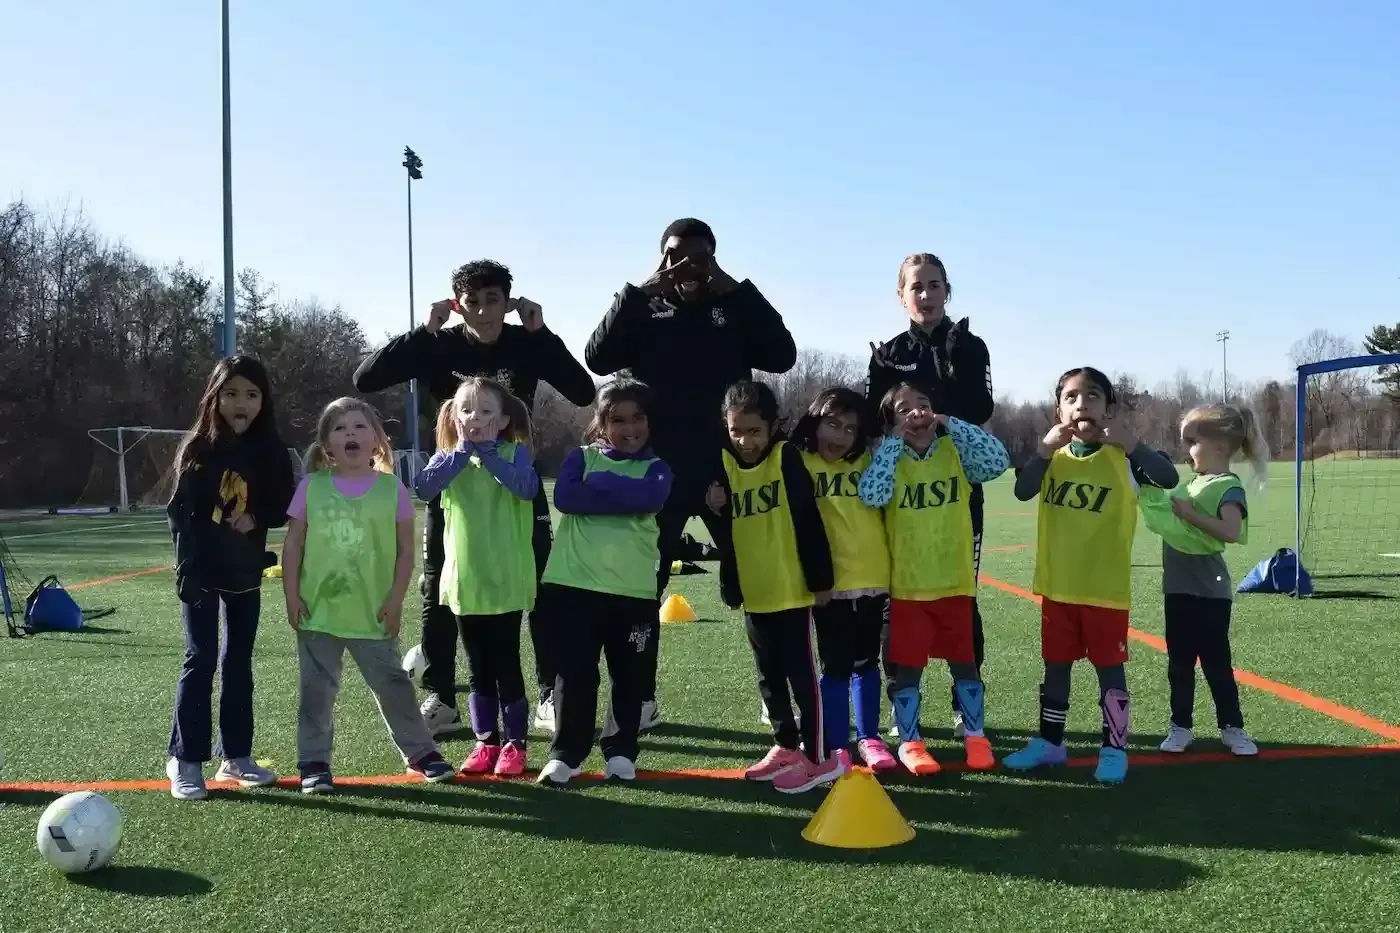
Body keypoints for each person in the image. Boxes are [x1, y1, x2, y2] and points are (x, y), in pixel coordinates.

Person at [352, 259, 595, 737]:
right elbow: (366, 379)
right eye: (472, 302)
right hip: (454, 481)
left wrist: (543, 333)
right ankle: (442, 697)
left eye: (492, 301)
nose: (482, 312)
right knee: (439, 587)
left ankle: (547, 693)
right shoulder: (438, 344)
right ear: (457, 304)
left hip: (514, 481)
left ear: (507, 303)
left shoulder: (526, 343)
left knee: (538, 586)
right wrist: (424, 331)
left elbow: (584, 390)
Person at [585, 218, 797, 730]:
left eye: (700, 257)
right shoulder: (644, 307)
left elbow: (783, 356)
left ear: (714, 259)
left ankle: (776, 699)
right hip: (658, 472)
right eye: (676, 255)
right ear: (661, 258)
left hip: (730, 469)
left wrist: (739, 289)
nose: (688, 267)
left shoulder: (732, 305)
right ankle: (640, 699)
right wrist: (637, 292)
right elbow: (598, 357)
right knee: (643, 587)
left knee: (759, 584)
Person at [1004, 367, 1180, 784]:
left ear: (1110, 408)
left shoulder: (1125, 457)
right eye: (1071, 397)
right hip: (1058, 587)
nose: (1081, 404)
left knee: (1110, 671)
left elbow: (1169, 477)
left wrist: (1131, 442)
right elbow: (1022, 490)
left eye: (1093, 396)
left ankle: (1114, 748)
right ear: (1058, 409)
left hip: (1105, 590)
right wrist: (1045, 450)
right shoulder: (1053, 458)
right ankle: (1050, 743)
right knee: (1056, 668)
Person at [281, 397, 457, 794]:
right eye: (340, 429)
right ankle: (314, 763)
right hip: (318, 612)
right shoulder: (311, 487)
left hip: (373, 613)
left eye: (359, 427)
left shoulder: (390, 489)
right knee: (316, 692)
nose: (350, 434)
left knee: (394, 686)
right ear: (327, 443)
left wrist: (395, 601)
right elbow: (292, 547)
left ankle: (420, 753)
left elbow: (406, 552)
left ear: (377, 440)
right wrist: (292, 597)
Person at [865, 253, 995, 739]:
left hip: (956, 487)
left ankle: (966, 706)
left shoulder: (970, 345)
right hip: (902, 493)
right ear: (901, 295)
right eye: (916, 287)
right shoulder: (888, 352)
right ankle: (903, 706)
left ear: (947, 291)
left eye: (934, 285)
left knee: (962, 597)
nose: (925, 294)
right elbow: (877, 417)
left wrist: (949, 369)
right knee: (897, 602)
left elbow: (981, 408)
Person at [858, 383, 1010, 775]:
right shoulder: (888, 461)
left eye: (923, 405)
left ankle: (976, 736)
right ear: (891, 424)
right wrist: (893, 443)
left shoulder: (954, 452)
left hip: (955, 583)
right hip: (909, 588)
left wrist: (950, 422)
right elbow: (871, 495)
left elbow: (997, 461)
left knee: (965, 663)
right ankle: (911, 742)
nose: (916, 413)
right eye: (903, 409)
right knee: (908, 669)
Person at [165, 356, 296, 801]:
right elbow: (180, 513)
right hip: (201, 568)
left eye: (252, 394)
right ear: (216, 397)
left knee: (237, 661)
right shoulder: (199, 449)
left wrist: (255, 516)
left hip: (244, 570)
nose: (242, 403)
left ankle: (235, 756)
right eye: (232, 393)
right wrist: (187, 568)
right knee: (200, 658)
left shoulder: (271, 450)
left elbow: (285, 503)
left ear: (264, 401)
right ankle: (184, 760)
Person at [707, 381, 843, 795]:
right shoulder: (724, 468)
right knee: (767, 678)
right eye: (736, 431)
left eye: (754, 431)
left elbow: (808, 519)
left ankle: (820, 758)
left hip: (791, 590)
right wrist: (713, 504)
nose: (745, 441)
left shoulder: (785, 458)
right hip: (756, 593)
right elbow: (727, 535)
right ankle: (785, 745)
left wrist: (821, 580)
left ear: (772, 428)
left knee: (802, 676)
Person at [536, 380, 673, 786]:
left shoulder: (659, 469)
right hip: (573, 588)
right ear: (601, 424)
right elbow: (567, 499)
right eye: (618, 420)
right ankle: (566, 754)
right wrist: (622, 494)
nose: (629, 428)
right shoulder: (580, 458)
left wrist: (600, 488)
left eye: (638, 418)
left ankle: (621, 750)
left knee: (630, 677)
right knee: (575, 674)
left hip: (633, 593)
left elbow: (648, 500)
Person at [414, 377, 540, 777]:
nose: (475, 418)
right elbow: (423, 488)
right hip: (464, 582)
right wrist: (460, 456)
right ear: (454, 416)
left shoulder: (514, 454)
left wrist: (490, 459)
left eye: (486, 411)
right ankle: (485, 742)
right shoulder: (446, 458)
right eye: (466, 410)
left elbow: (526, 487)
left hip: (504, 579)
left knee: (506, 664)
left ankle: (515, 745)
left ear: (502, 421)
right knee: (477, 669)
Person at [1140, 403, 1266, 757]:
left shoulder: (1227, 486)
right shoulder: (1192, 483)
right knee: (1179, 662)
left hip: (1210, 591)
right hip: (1177, 588)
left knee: (1215, 663)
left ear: (1220, 447)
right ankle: (1180, 726)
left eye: (1192, 441)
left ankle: (1232, 727)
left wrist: (1192, 515)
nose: (1186, 449)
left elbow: (1230, 530)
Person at [789, 388, 896, 773]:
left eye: (850, 429)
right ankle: (837, 743)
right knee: (835, 664)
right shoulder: (796, 462)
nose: (839, 436)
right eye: (832, 424)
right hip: (827, 584)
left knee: (867, 661)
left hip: (873, 576)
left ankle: (870, 737)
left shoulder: (868, 460)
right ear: (814, 420)